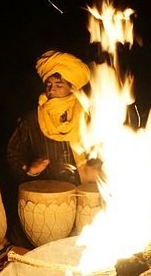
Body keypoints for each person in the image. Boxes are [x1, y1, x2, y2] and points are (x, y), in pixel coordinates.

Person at [6, 50, 101, 186]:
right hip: (48, 192)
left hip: (83, 189)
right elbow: (13, 154)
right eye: (48, 84)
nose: (51, 90)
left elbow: (103, 150)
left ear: (72, 87)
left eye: (59, 85)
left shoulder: (87, 115)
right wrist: (29, 169)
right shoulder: (33, 118)